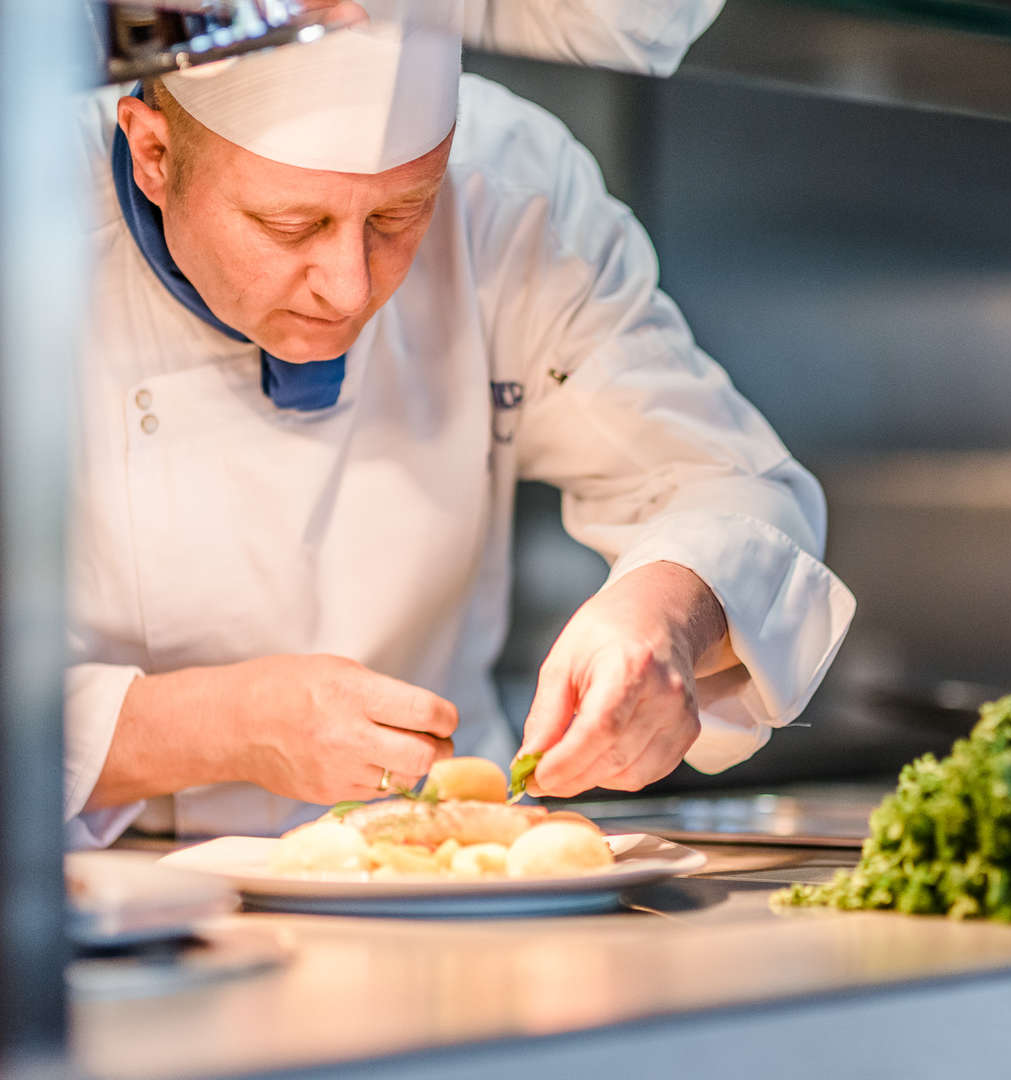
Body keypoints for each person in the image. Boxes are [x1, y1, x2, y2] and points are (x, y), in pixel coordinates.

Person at [65, 4, 855, 846]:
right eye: (290, 226)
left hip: (454, 867)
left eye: (399, 217)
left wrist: (666, 612)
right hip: (98, 909)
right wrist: (212, 725)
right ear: (153, 154)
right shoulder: (27, 211)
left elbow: (726, 482)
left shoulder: (511, 190)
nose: (349, 286)